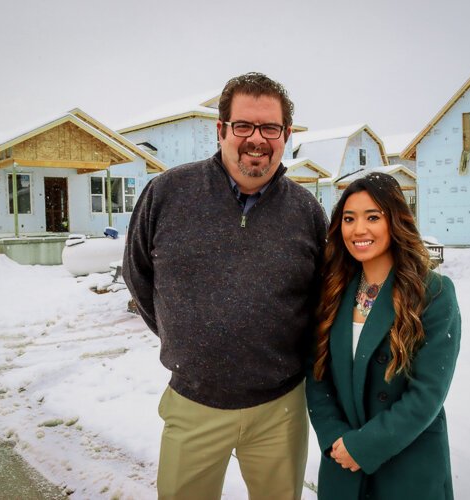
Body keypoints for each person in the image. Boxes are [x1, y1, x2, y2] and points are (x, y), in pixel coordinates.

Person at [123, 72, 327, 500]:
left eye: (270, 127)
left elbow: (322, 298)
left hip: (280, 409)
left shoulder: (306, 212)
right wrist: (185, 339)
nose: (257, 139)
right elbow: (138, 275)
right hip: (194, 404)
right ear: (221, 130)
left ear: (285, 135)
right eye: (243, 126)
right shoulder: (167, 194)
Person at [306, 172, 461, 499]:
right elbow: (318, 377)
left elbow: (427, 394)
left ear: (395, 221)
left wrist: (364, 447)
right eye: (349, 219)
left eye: (372, 217)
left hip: (407, 463)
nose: (358, 229)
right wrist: (336, 440)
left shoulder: (433, 293)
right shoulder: (333, 292)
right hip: (342, 462)